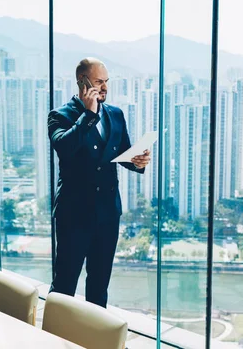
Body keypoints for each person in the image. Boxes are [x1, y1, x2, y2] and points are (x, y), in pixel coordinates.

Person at [48, 57, 150, 307]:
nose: (104, 87)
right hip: (75, 215)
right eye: (98, 82)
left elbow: (120, 153)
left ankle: (93, 340)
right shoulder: (60, 116)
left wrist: (135, 161)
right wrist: (89, 114)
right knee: (65, 283)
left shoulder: (115, 114)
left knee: (99, 284)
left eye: (106, 82)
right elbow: (65, 147)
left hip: (107, 213)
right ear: (82, 83)